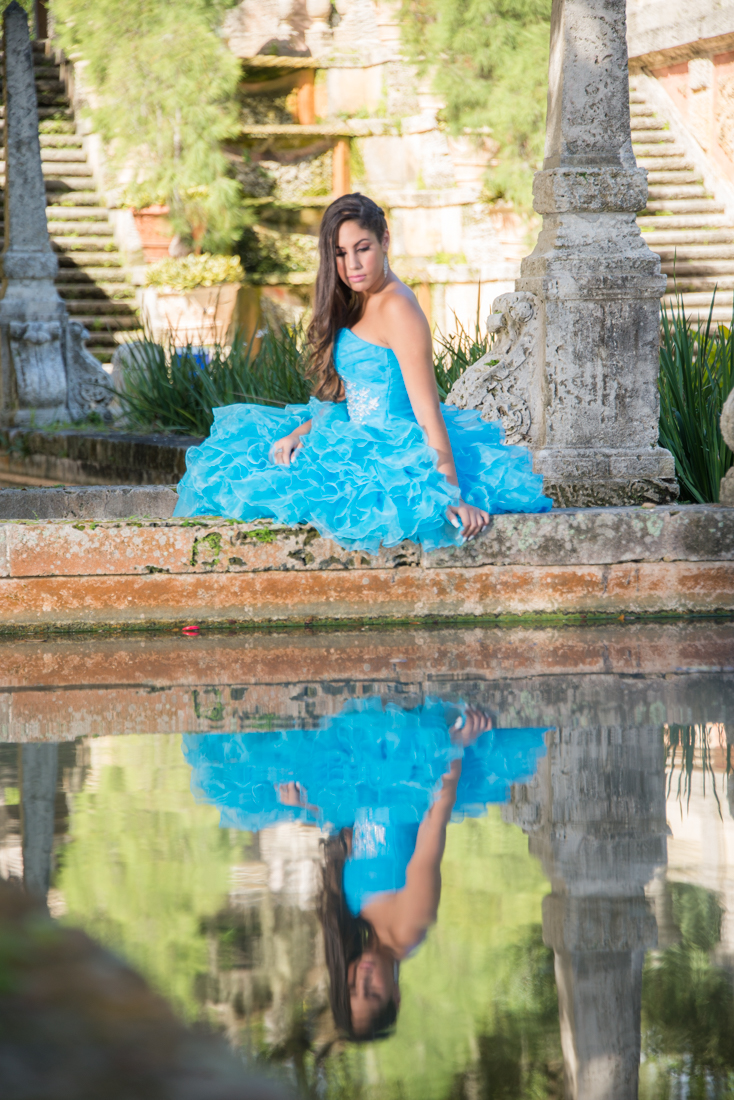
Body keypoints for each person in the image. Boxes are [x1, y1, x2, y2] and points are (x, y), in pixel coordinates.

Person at [174, 193, 551, 550]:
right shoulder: (359, 299)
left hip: (395, 451)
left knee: (269, 480)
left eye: (362, 249)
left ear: (384, 240)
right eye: (340, 253)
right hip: (353, 434)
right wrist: (302, 431)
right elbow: (355, 400)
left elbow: (427, 410)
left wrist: (449, 496)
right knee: (244, 456)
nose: (351, 265)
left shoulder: (397, 307)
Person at [182, 696, 548, 1040]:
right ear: (396, 995)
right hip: (409, 773)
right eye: (371, 993)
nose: (363, 977)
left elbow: (357, 837)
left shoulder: (360, 932)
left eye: (353, 986)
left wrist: (307, 808)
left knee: (246, 774)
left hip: (363, 783)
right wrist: (452, 747)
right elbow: (434, 822)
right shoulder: (410, 925)